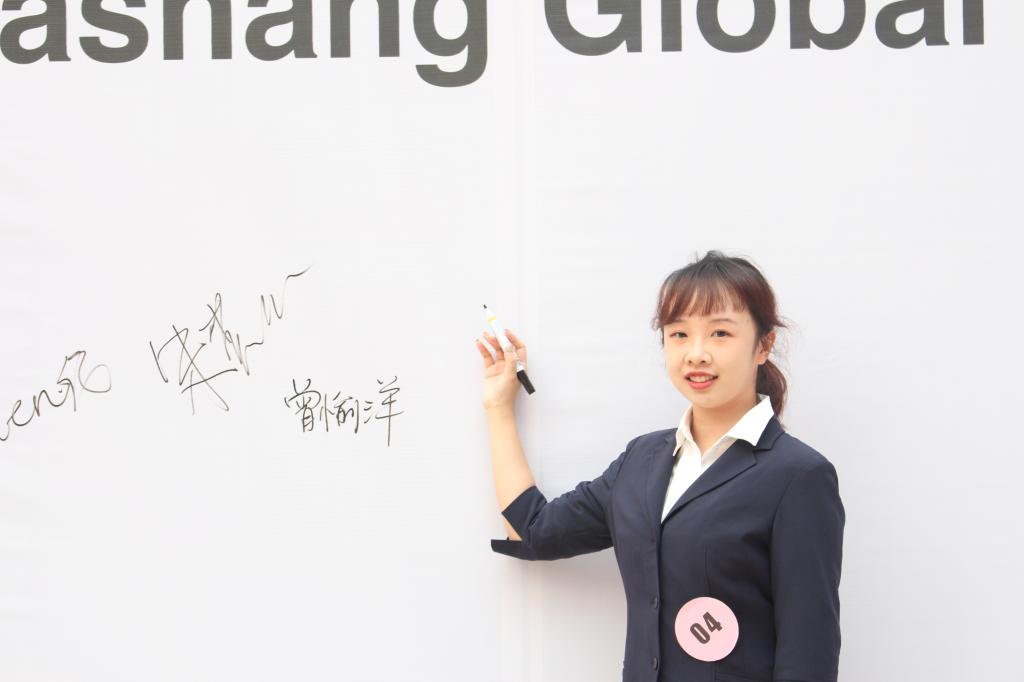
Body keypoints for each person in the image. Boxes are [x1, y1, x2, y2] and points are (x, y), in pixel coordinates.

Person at [474, 250, 845, 682]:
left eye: (720, 333)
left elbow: (809, 653)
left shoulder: (798, 475)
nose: (697, 354)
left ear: (763, 345)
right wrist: (498, 408)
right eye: (679, 334)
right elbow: (534, 529)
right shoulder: (641, 460)